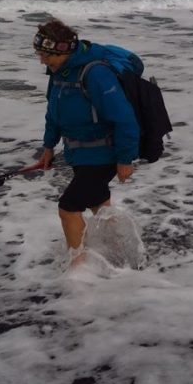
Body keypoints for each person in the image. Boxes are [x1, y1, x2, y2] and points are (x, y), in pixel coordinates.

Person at [29, 19, 139, 264]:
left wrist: (125, 159)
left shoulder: (96, 73)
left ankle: (80, 270)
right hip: (79, 153)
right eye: (39, 54)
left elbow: (124, 119)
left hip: (104, 154)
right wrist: (48, 146)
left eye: (46, 55)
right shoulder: (59, 72)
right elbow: (53, 112)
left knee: (68, 209)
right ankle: (120, 253)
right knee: (98, 203)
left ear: (64, 50)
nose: (42, 60)